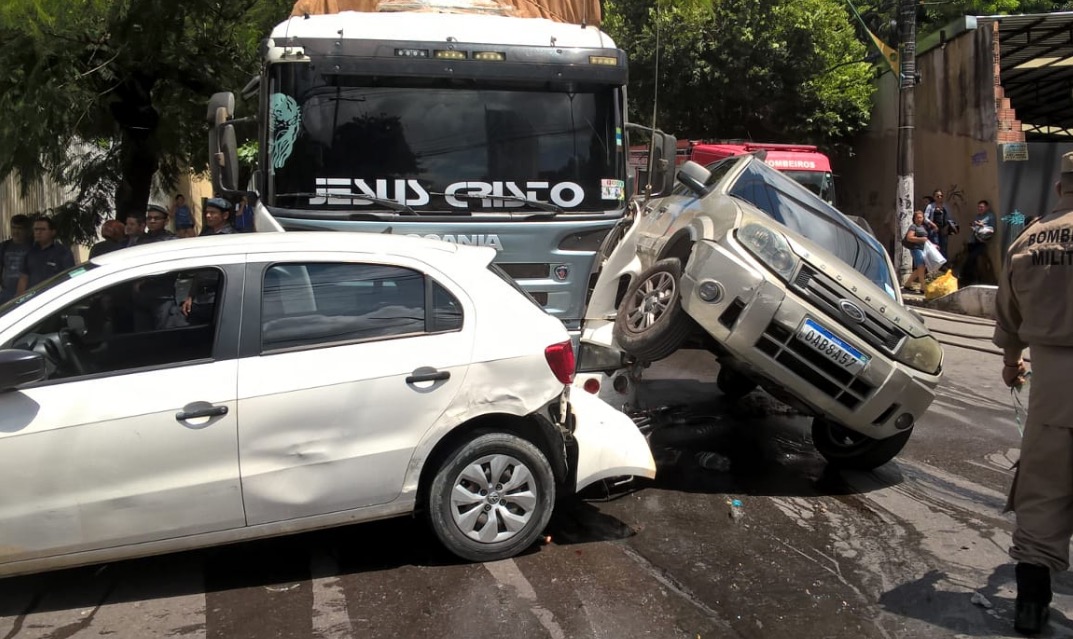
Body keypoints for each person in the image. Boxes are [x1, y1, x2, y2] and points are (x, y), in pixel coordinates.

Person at [993, 150, 1073, 635]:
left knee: (1043, 493)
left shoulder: (1030, 237)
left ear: (1061, 186)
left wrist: (1011, 361)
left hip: (1053, 387)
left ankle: (1030, 603)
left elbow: (1008, 314)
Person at [16, 216, 75, 294]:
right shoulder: (30, 253)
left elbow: (70, 277)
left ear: (53, 232)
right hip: (32, 299)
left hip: (54, 298)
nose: (38, 232)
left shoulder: (62, 252)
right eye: (36, 229)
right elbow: (23, 279)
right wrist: (19, 300)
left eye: (42, 229)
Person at [960, 199, 997, 286]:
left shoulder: (990, 216)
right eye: (979, 207)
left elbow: (992, 229)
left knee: (971, 259)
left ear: (986, 207)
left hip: (981, 242)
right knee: (972, 261)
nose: (980, 209)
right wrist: (974, 227)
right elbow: (976, 229)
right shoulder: (978, 216)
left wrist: (982, 225)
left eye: (982, 207)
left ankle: (970, 279)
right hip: (973, 240)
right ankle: (972, 280)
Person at [0, 214, 32, 303]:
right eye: (14, 228)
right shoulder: (4, 247)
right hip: (6, 294)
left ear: (27, 230)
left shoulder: (33, 246)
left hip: (29, 294)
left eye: (20, 228)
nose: (16, 231)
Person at [901, 210, 930, 293]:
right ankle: (923, 287)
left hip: (922, 249)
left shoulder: (923, 227)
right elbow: (909, 238)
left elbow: (926, 239)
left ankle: (908, 284)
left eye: (921, 217)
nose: (919, 219)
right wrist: (921, 239)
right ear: (914, 218)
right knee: (921, 267)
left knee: (920, 268)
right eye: (917, 217)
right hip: (916, 249)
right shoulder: (913, 227)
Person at [924, 189, 956, 258]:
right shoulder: (930, 206)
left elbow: (949, 218)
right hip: (934, 230)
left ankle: (944, 265)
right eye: (937, 196)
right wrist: (933, 225)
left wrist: (947, 227)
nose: (940, 197)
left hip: (944, 229)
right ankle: (936, 264)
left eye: (941, 196)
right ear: (934, 197)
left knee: (944, 247)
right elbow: (925, 218)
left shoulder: (945, 206)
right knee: (936, 246)